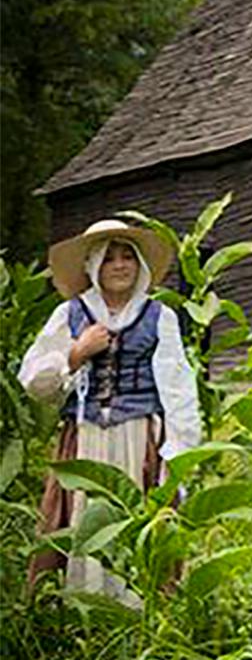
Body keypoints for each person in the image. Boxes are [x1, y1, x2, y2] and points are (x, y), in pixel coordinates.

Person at [17, 218, 202, 602]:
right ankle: (81, 607)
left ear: (139, 266)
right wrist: (76, 352)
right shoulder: (70, 314)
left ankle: (137, 609)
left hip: (140, 437)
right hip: (84, 438)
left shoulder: (158, 317)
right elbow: (32, 379)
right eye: (109, 258)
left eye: (127, 257)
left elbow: (179, 388)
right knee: (81, 519)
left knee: (138, 518)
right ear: (94, 266)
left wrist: (180, 453)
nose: (119, 266)